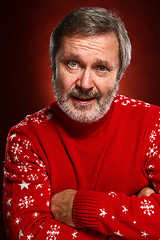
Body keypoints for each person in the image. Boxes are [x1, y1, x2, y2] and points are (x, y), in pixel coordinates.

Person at [3, 7, 160, 239]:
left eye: (101, 68)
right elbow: (28, 234)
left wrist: (81, 208)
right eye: (73, 64)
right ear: (53, 66)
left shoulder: (152, 123)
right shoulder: (26, 139)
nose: (85, 84)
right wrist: (134, 226)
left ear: (119, 74)